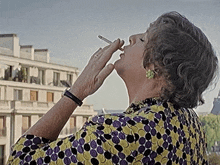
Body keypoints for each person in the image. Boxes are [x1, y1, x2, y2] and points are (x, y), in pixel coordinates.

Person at [7, 11, 218, 165]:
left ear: (156, 66)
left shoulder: (117, 134)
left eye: (143, 39)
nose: (131, 38)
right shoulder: (190, 123)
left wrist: (76, 92)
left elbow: (20, 159)